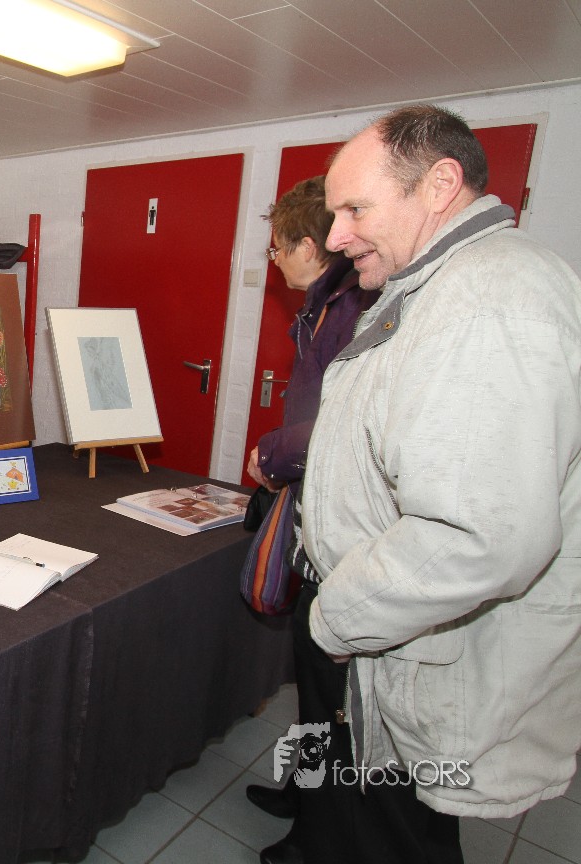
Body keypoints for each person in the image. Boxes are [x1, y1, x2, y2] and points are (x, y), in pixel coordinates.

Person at [300, 103, 581, 862]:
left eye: (355, 209)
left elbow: (477, 535)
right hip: (407, 644)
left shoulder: (487, 301)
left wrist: (338, 618)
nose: (336, 237)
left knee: (397, 841)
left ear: (439, 185)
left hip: (421, 655)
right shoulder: (441, 286)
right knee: (393, 831)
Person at [241, 176, 378, 864]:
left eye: (276, 248)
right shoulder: (328, 305)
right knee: (313, 681)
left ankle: (317, 842)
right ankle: (302, 790)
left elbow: (338, 422)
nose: (273, 262)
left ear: (307, 244)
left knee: (330, 692)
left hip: (343, 529)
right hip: (318, 512)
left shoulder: (351, 308)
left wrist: (271, 453)